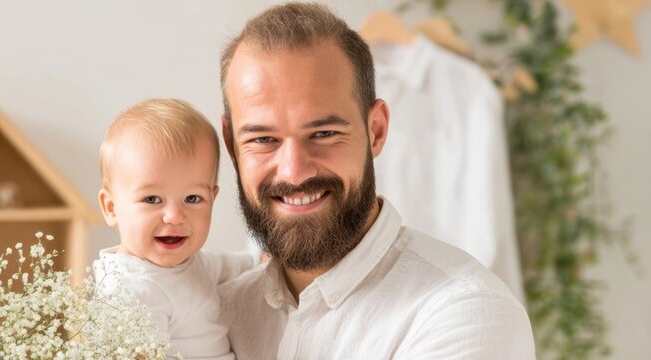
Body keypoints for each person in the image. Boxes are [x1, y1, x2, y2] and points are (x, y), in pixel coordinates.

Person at [216, 3, 536, 359]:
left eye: (323, 133)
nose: (294, 171)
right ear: (231, 145)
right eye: (263, 139)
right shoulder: (209, 314)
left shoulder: (467, 311)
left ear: (376, 130)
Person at [94, 98, 256, 360]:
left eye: (193, 199)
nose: (174, 216)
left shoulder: (194, 263)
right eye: (152, 199)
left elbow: (244, 265)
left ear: (212, 199)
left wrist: (265, 259)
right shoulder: (131, 289)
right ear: (111, 208)